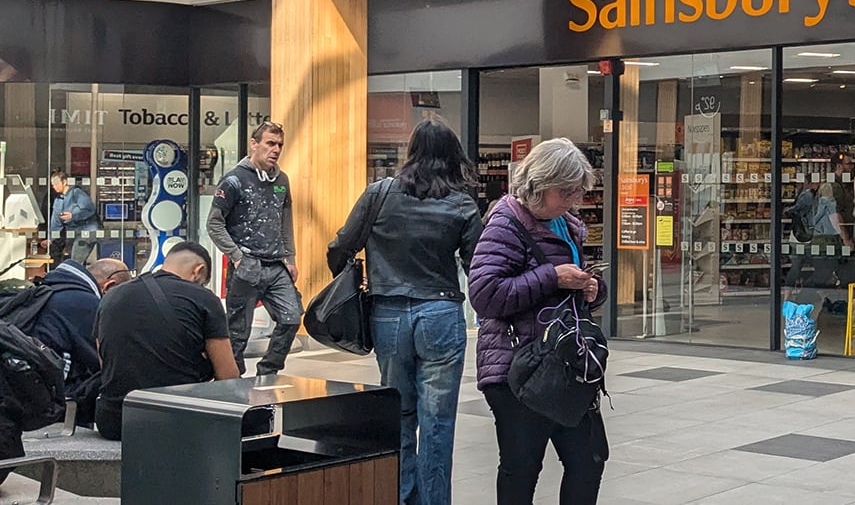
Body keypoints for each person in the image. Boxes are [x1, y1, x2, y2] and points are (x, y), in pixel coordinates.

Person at [327, 118, 483, 505]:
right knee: (438, 422)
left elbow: (341, 245)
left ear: (410, 151)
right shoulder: (462, 202)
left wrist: (358, 278)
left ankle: (401, 496)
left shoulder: (378, 194)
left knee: (398, 415)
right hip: (441, 313)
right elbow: (477, 263)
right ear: (452, 156)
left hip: (388, 314)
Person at [469, 138, 607, 505]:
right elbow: (484, 295)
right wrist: (553, 277)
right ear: (539, 184)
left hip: (565, 364)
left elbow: (569, 285)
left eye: (577, 192)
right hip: (519, 369)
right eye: (565, 191)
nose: (572, 201)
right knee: (522, 468)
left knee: (589, 459)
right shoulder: (505, 224)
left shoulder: (566, 225)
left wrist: (593, 288)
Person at [94, 242, 238, 441]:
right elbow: (228, 376)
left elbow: (105, 361)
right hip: (179, 420)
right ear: (198, 271)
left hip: (115, 420)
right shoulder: (204, 298)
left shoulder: (112, 297)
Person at [206, 120, 302, 376]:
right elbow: (214, 224)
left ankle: (268, 372)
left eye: (280, 144)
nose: (276, 149)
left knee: (291, 317)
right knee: (237, 333)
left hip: (276, 265)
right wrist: (237, 257)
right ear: (254, 144)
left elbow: (285, 220)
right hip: (247, 266)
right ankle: (232, 380)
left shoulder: (282, 179)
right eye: (270, 143)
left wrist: (290, 257)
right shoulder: (234, 180)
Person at [27, 257, 131, 424]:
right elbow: (102, 360)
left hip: (31, 386)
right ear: (108, 286)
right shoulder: (86, 303)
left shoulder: (54, 288)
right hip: (56, 396)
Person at [45, 170, 100, 265]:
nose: (54, 187)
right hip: (73, 233)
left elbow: (89, 209)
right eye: (52, 185)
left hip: (86, 231)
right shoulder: (58, 200)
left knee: (76, 261)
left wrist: (73, 216)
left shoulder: (77, 193)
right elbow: (56, 222)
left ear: (64, 182)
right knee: (72, 260)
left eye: (56, 184)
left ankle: (77, 277)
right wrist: (50, 238)